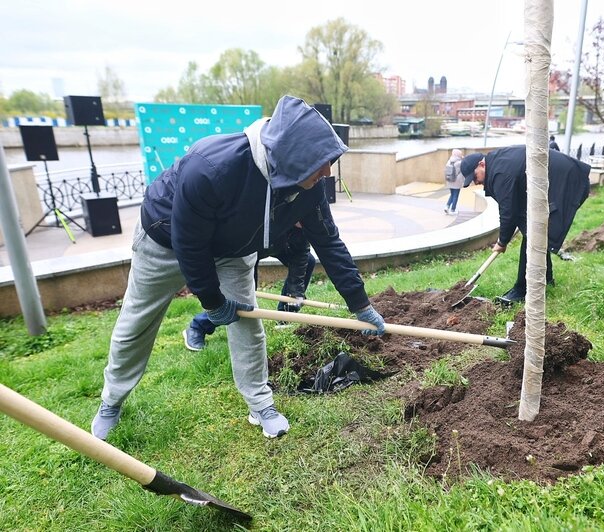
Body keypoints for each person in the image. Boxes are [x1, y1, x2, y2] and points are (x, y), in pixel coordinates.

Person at [91, 95, 386, 441]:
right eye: (321, 163)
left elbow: (329, 243)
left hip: (233, 251)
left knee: (248, 324)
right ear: (291, 157)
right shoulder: (211, 168)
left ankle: (260, 404)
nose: (327, 172)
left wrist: (360, 304)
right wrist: (213, 303)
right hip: (165, 240)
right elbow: (190, 244)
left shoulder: (310, 185)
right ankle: (111, 401)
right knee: (137, 321)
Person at [460, 146, 590, 304]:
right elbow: (515, 204)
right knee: (537, 234)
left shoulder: (500, 172)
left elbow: (508, 211)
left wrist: (502, 241)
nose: (476, 182)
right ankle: (546, 279)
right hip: (562, 181)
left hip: (569, 183)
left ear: (481, 164)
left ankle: (521, 289)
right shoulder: (499, 163)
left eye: (474, 177)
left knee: (533, 236)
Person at [182, 225, 315, 351]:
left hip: (279, 241)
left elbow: (301, 251)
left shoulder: (303, 215)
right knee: (243, 298)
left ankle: (286, 316)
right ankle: (198, 326)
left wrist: (295, 293)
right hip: (248, 245)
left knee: (308, 261)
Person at [443, 148, 465, 215]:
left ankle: (447, 206)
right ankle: (453, 209)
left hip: (450, 180)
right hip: (457, 181)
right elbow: (463, 169)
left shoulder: (449, 161)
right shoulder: (459, 162)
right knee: (456, 195)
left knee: (452, 194)